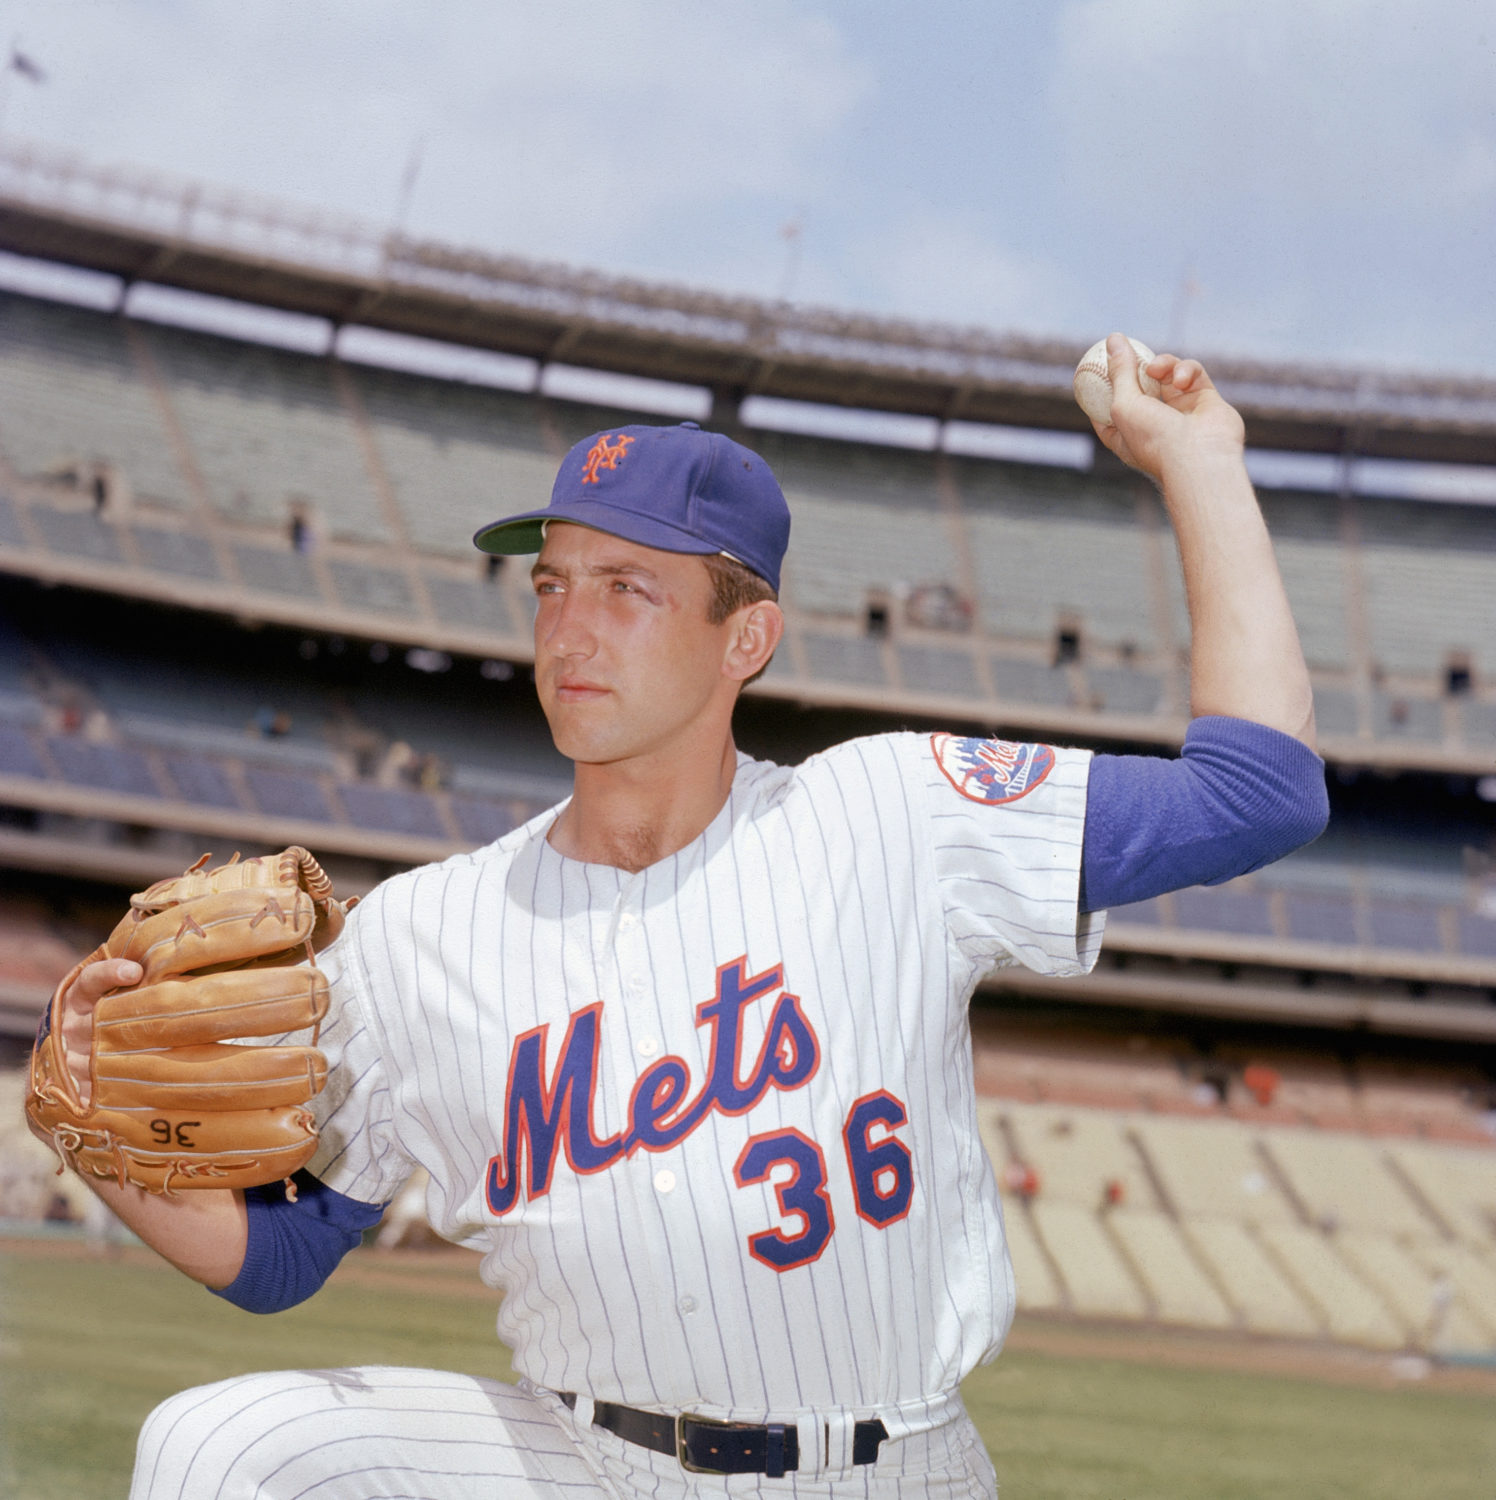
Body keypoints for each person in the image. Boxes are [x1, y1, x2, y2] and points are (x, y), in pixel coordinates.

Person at [54, 337, 1327, 1498]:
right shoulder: (420, 931)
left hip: (883, 1462)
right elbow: (279, 1260)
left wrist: (1198, 462)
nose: (568, 628)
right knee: (219, 1447)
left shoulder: (892, 812)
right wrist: (86, 1120)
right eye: (550, 585)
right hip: (580, 1455)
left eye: (626, 588)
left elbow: (1255, 794)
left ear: (746, 637)